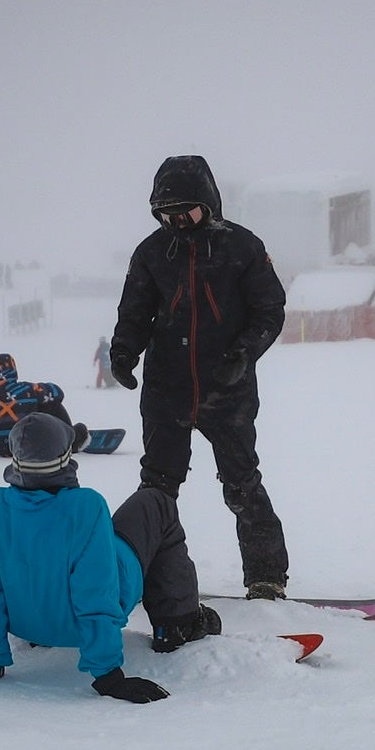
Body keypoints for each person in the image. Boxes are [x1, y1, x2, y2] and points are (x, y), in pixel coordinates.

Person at [0, 413, 221, 701]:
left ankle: (33, 629)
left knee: (65, 543)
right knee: (156, 503)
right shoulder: (86, 507)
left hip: (27, 623)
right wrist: (109, 675)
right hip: (82, 621)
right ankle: (178, 624)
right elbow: (95, 593)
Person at [110, 155, 290, 600]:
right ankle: (134, 576)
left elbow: (270, 310)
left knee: (242, 483)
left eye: (184, 210)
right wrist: (123, 350)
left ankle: (266, 578)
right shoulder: (152, 252)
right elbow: (134, 311)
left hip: (226, 391)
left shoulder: (242, 247)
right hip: (166, 391)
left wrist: (243, 355)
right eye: (165, 213)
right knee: (156, 490)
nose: (175, 220)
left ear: (207, 203)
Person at [0, 352, 89, 458]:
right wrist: (38, 392)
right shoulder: (29, 389)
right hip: (30, 447)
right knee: (52, 404)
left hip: (4, 449)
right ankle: (70, 440)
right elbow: (58, 393)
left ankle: (64, 437)